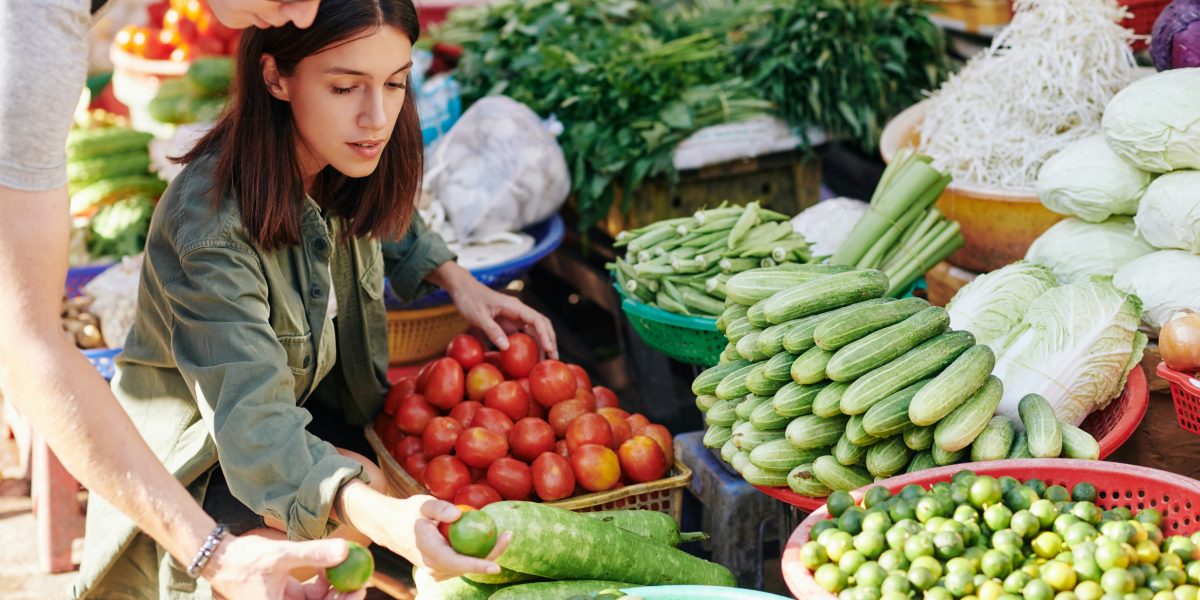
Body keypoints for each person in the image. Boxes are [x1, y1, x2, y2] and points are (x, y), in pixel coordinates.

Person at [69, 0, 557, 596]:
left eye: (396, 83)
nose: (376, 116)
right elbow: (254, 426)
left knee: (370, 498)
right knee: (341, 526)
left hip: (303, 413)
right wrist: (381, 515)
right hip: (200, 468)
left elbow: (387, 220)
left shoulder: (339, 152)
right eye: (346, 86)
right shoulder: (210, 226)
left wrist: (458, 279)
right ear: (275, 76)